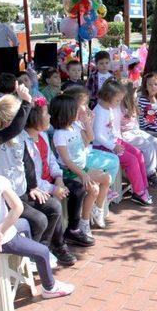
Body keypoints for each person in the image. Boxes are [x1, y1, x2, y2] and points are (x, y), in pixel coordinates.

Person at [0, 135, 74, 299]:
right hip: (0, 240)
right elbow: (18, 208)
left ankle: (28, 262)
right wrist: (0, 231)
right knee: (43, 251)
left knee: (24, 224)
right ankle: (49, 287)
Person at [0, 87, 73, 266]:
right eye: (22, 116)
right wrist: (25, 101)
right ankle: (31, 256)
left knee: (53, 207)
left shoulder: (19, 138)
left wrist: (33, 187)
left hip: (21, 192)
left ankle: (42, 250)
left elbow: (27, 164)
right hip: (3, 200)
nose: (25, 121)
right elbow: (13, 130)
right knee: (39, 220)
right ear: (12, 120)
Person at [25, 98, 93, 247]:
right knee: (53, 205)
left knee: (78, 190)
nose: (50, 116)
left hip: (51, 180)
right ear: (35, 118)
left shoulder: (42, 135)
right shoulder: (26, 143)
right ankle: (57, 245)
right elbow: (32, 177)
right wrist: (54, 189)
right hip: (37, 186)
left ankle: (73, 230)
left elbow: (51, 161)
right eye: (46, 114)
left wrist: (59, 178)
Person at [51, 93, 115, 233]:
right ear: (66, 113)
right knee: (94, 189)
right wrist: (82, 174)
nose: (78, 112)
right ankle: (84, 222)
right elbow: (67, 161)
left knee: (107, 178)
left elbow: (89, 139)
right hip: (70, 171)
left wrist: (86, 123)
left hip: (82, 168)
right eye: (74, 110)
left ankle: (97, 210)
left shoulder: (75, 127)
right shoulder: (59, 134)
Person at [93, 80, 151, 206]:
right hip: (104, 146)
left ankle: (143, 186)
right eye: (118, 100)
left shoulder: (110, 107)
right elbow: (98, 135)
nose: (119, 103)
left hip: (114, 141)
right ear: (108, 97)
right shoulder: (98, 111)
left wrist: (119, 141)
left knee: (138, 154)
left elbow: (114, 127)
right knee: (131, 160)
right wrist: (113, 146)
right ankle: (139, 192)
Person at [119, 80, 157, 188]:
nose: (136, 94)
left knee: (156, 142)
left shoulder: (132, 103)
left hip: (135, 131)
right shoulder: (119, 107)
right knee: (148, 147)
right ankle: (150, 174)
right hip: (125, 134)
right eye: (135, 92)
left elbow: (137, 121)